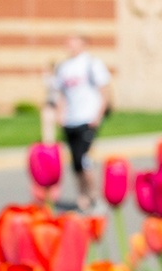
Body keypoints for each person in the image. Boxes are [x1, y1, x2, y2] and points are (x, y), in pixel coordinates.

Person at [52, 34, 112, 209]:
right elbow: (61, 93)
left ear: (83, 44)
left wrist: (98, 115)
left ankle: (93, 195)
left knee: (84, 159)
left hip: (87, 118)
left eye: (73, 41)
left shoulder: (92, 64)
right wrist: (59, 114)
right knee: (76, 162)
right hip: (70, 120)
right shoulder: (63, 67)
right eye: (67, 41)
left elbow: (104, 90)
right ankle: (82, 196)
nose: (69, 45)